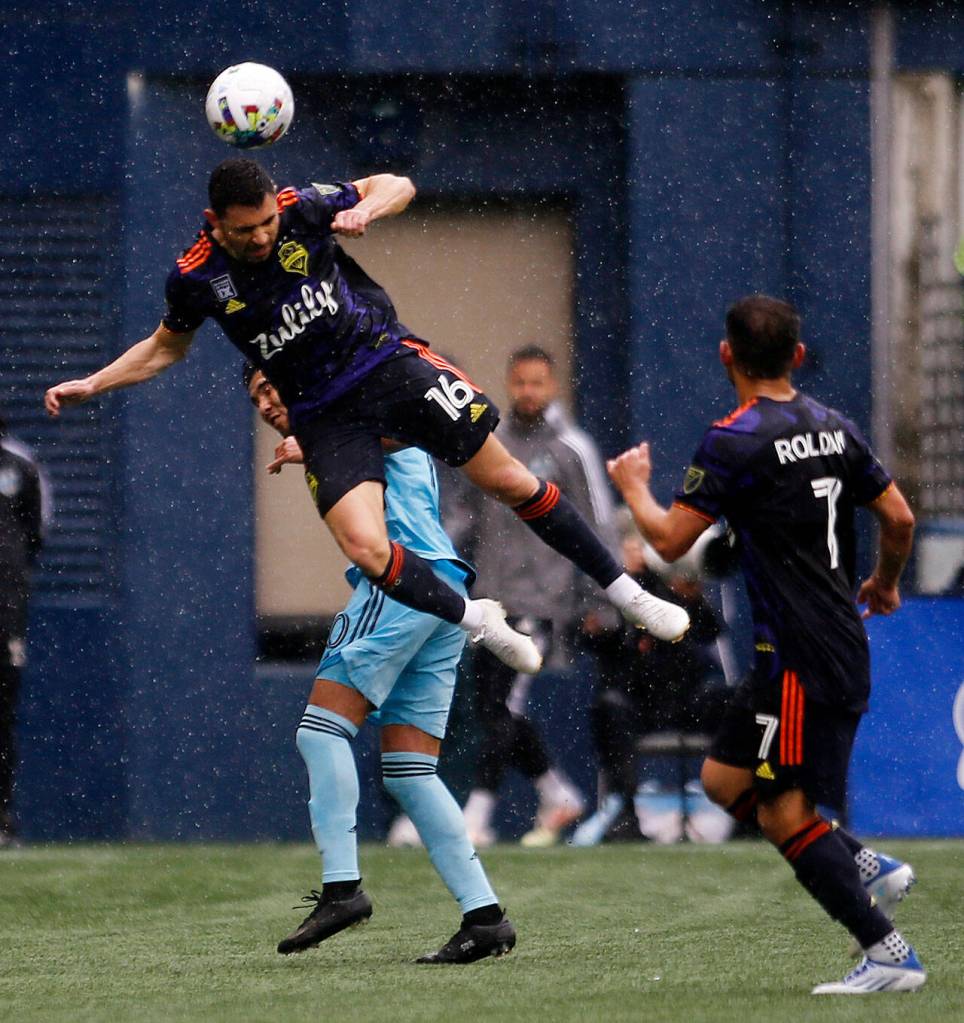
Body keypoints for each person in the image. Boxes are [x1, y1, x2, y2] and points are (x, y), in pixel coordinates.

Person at [44, 157, 689, 687]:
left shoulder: (302, 208)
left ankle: (626, 590)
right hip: (324, 413)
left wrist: (365, 210)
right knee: (366, 549)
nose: (263, 237)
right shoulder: (195, 277)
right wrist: (94, 382)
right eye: (247, 231)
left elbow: (397, 183)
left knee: (510, 480)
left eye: (268, 223)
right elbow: (164, 346)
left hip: (387, 363)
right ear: (215, 223)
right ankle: (478, 619)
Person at [607, 295, 924, 994]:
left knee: (784, 813)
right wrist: (884, 582)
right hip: (817, 646)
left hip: (801, 657)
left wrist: (632, 486)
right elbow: (898, 517)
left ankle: (889, 953)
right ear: (799, 357)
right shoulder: (833, 427)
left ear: (727, 355)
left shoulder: (735, 437)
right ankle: (867, 866)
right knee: (725, 781)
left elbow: (667, 541)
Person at [246, 365, 515, 963]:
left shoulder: (348, 409)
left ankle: (342, 889)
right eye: (258, 395)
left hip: (403, 584)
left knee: (318, 735)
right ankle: (485, 917)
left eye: (272, 385)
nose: (267, 402)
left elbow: (391, 429)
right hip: (446, 594)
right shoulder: (360, 416)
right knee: (411, 774)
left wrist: (314, 437)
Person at [460, 345, 610, 846]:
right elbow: (464, 514)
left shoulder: (573, 449)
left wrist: (601, 599)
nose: (527, 392)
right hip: (490, 601)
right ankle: (558, 793)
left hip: (544, 602)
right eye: (519, 382)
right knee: (495, 710)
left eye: (537, 383)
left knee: (505, 704)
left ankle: (474, 819)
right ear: (508, 383)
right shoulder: (489, 442)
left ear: (553, 386)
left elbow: (597, 526)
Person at [572, 522, 728, 845]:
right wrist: (625, 578)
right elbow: (592, 636)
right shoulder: (608, 586)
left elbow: (710, 631)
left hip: (685, 700)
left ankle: (745, 804)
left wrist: (691, 596)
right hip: (635, 702)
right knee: (609, 706)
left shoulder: (674, 586)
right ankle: (625, 812)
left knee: (731, 699)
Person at [0, 413, 50, 847]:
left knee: (3, 713)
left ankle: (2, 819)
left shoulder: (19, 465)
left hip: (5, 611)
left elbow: (35, 534)